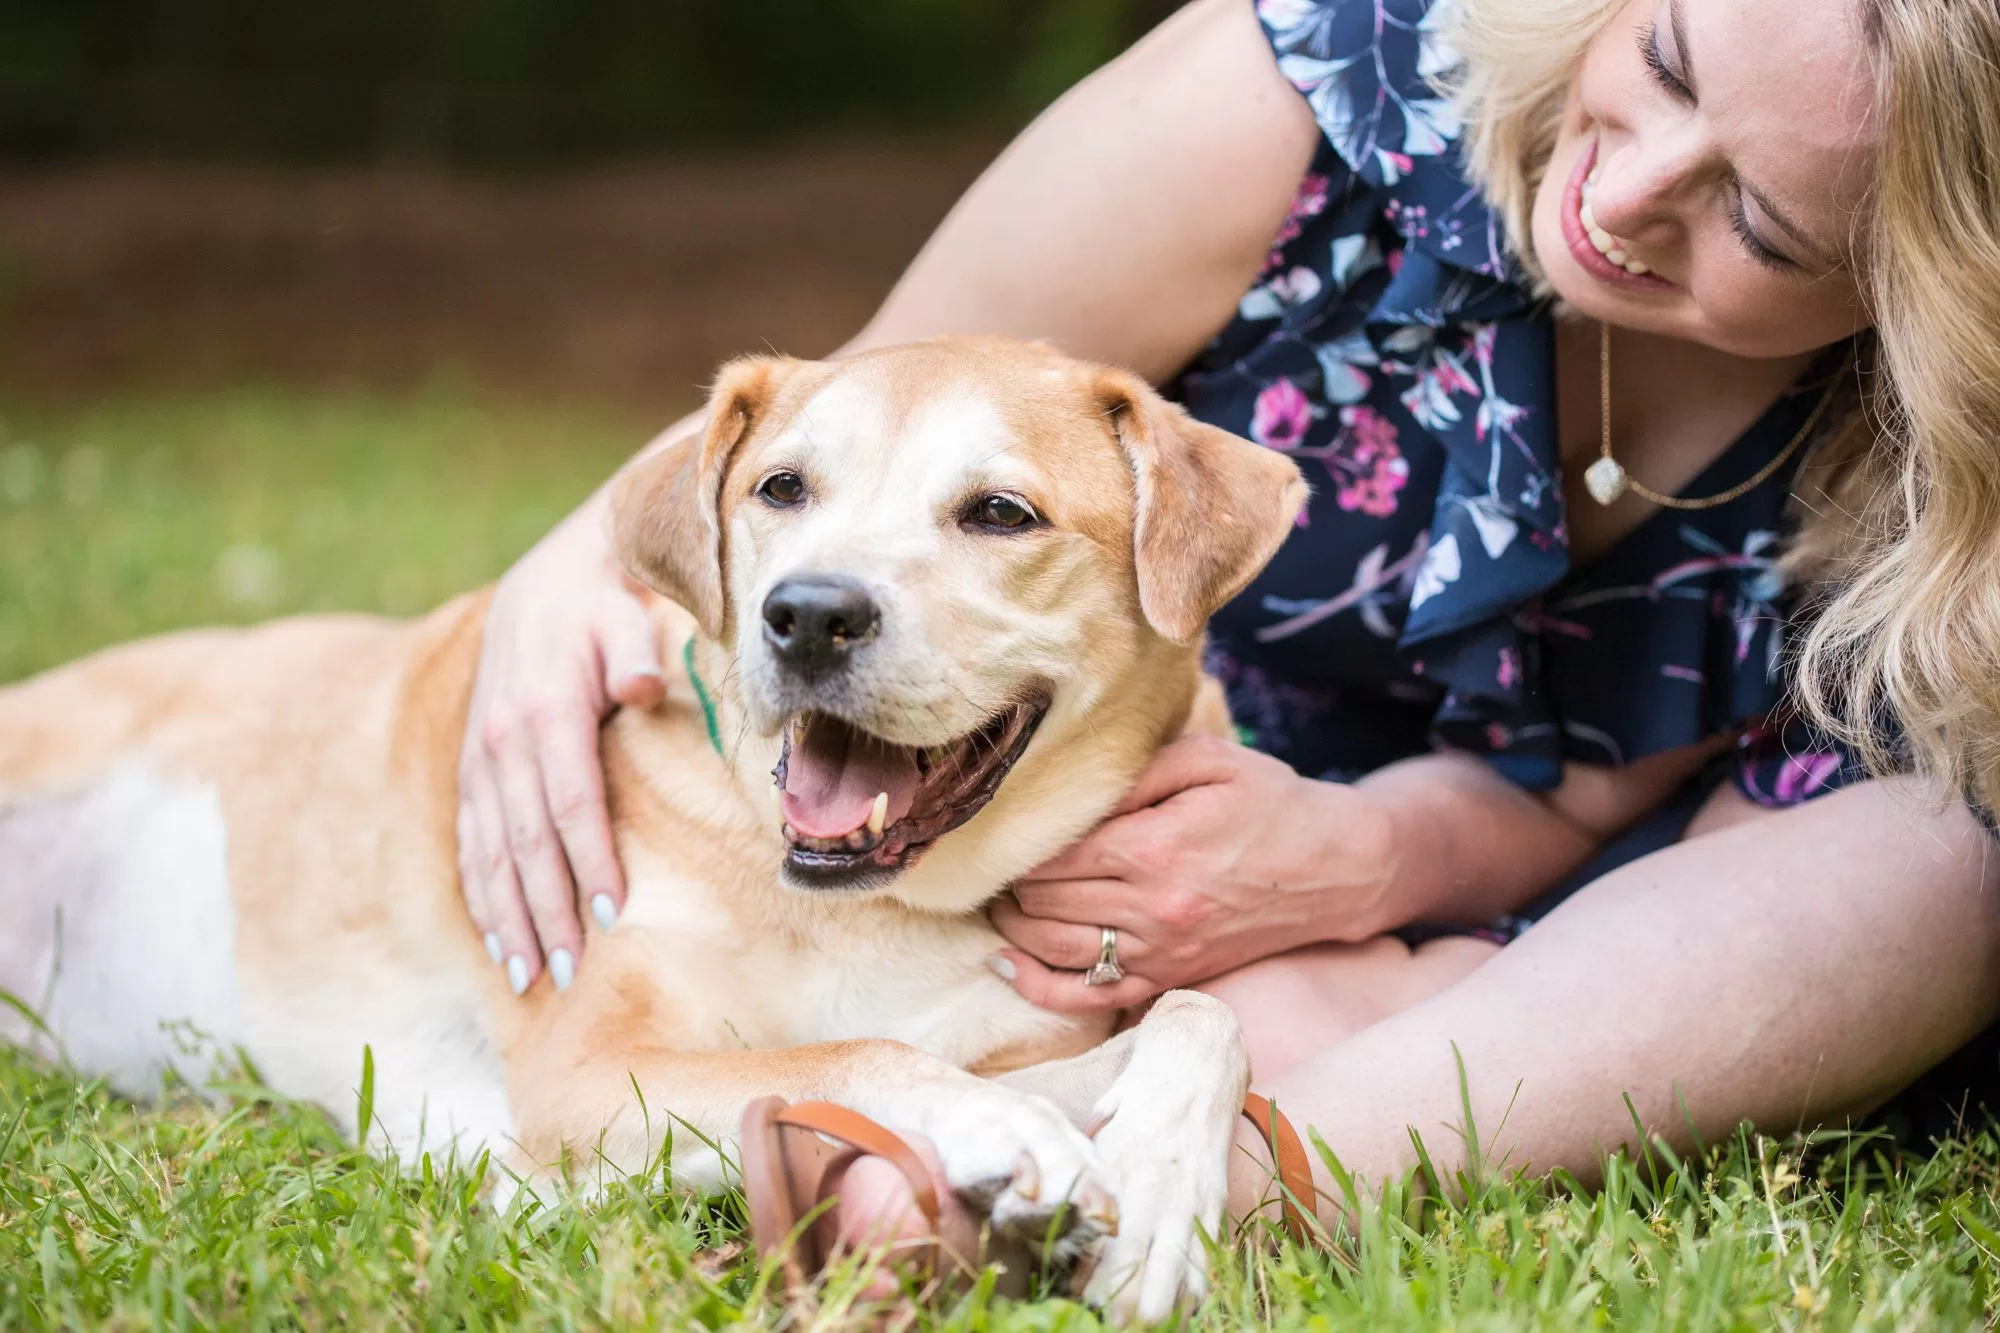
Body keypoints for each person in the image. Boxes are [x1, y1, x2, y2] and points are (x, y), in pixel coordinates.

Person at [455, 0, 2000, 1232]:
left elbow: (1605, 788)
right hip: (1124, 822)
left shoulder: (1937, 478)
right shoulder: (1305, 83)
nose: (1634, 189)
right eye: (1663, 63)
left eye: (1766, 223)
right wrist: (570, 563)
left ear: (1919, 293)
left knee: (1950, 854)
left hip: (1596, 904)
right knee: (1189, 1004)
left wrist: (1362, 855)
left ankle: (1131, 1186)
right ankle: (1003, 1152)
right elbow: (868, 414)